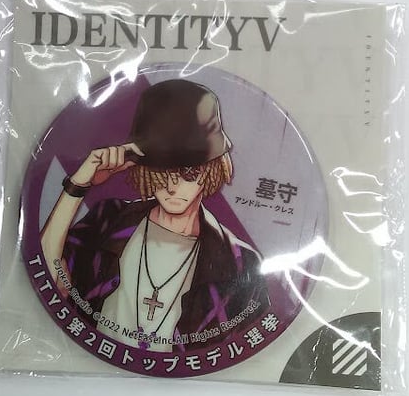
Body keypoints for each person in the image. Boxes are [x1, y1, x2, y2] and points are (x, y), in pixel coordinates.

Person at [41, 79, 270, 352]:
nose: (172, 187)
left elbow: (249, 345)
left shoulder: (240, 264)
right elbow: (49, 278)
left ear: (213, 169)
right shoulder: (109, 220)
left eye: (188, 173)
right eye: (160, 172)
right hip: (89, 359)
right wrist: (78, 186)